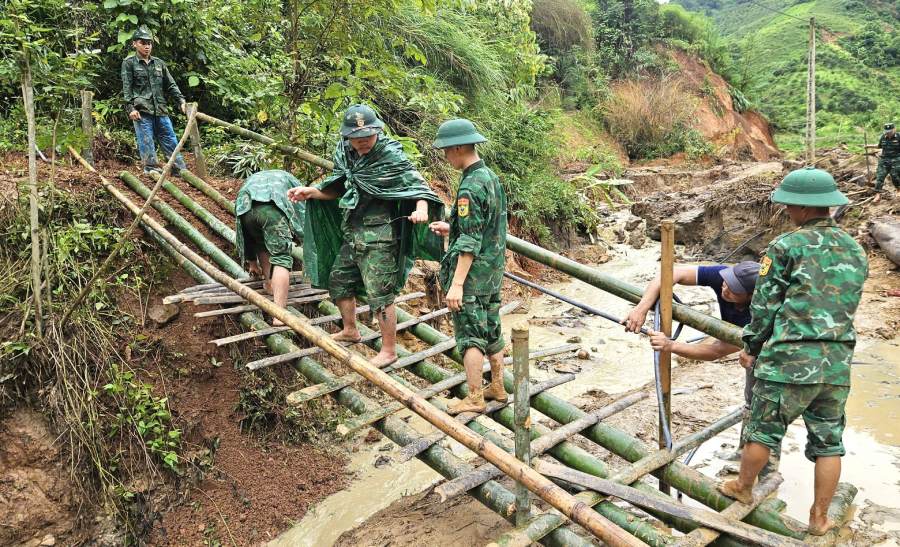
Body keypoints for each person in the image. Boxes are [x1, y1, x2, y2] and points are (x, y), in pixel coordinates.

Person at [718, 167, 867, 537]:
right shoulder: (856, 249)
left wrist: (751, 347)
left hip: (787, 361)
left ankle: (744, 487)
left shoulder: (785, 247)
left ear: (801, 208)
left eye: (788, 206)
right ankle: (819, 517)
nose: (786, 212)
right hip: (836, 364)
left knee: (763, 433)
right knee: (828, 441)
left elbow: (764, 308)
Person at [287, 104, 443, 367]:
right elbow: (338, 187)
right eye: (356, 139)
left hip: (380, 236)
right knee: (338, 282)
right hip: (353, 233)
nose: (362, 143)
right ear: (347, 137)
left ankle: (389, 349)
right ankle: (351, 330)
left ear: (377, 133)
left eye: (367, 138)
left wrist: (421, 209)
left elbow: (418, 187)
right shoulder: (346, 155)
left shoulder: (390, 156)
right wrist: (312, 192)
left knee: (380, 295)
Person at [624, 261, 779, 474]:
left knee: (764, 410)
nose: (725, 288)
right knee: (751, 401)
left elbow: (717, 350)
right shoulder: (723, 278)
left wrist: (671, 346)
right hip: (752, 351)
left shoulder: (760, 314)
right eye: (726, 282)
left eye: (734, 290)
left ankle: (765, 473)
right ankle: (744, 451)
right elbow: (672, 272)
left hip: (775, 359)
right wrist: (641, 309)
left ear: (751, 296)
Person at [428, 119, 508, 415]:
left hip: (473, 275)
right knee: (491, 324)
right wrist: (452, 228)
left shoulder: (469, 188)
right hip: (492, 271)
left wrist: (457, 284)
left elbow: (471, 242)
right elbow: (484, 226)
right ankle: (497, 385)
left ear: (459, 147)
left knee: (470, 334)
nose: (445, 156)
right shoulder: (489, 177)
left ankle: (474, 396)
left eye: (447, 150)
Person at [235, 170, 306, 326]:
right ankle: (279, 315)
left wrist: (252, 263)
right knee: (281, 257)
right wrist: (302, 236)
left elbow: (246, 236)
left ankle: (270, 284)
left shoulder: (252, 180)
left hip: (246, 211)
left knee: (262, 245)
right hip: (272, 210)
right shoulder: (290, 179)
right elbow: (302, 210)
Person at [121, 26, 188, 176]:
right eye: (142, 42)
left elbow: (171, 85)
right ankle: (151, 171)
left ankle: (179, 171)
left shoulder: (159, 63)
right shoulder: (129, 63)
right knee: (146, 142)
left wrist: (181, 101)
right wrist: (130, 108)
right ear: (134, 44)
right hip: (142, 111)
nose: (146, 46)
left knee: (170, 139)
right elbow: (127, 88)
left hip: (160, 109)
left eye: (149, 43)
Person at [866, 122, 899, 195]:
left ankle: (898, 189)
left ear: (894, 129)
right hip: (884, 159)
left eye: (890, 132)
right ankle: (877, 194)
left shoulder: (899, 136)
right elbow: (879, 146)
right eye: (887, 132)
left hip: (896, 160)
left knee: (895, 176)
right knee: (880, 176)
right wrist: (868, 146)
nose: (888, 133)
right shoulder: (883, 137)